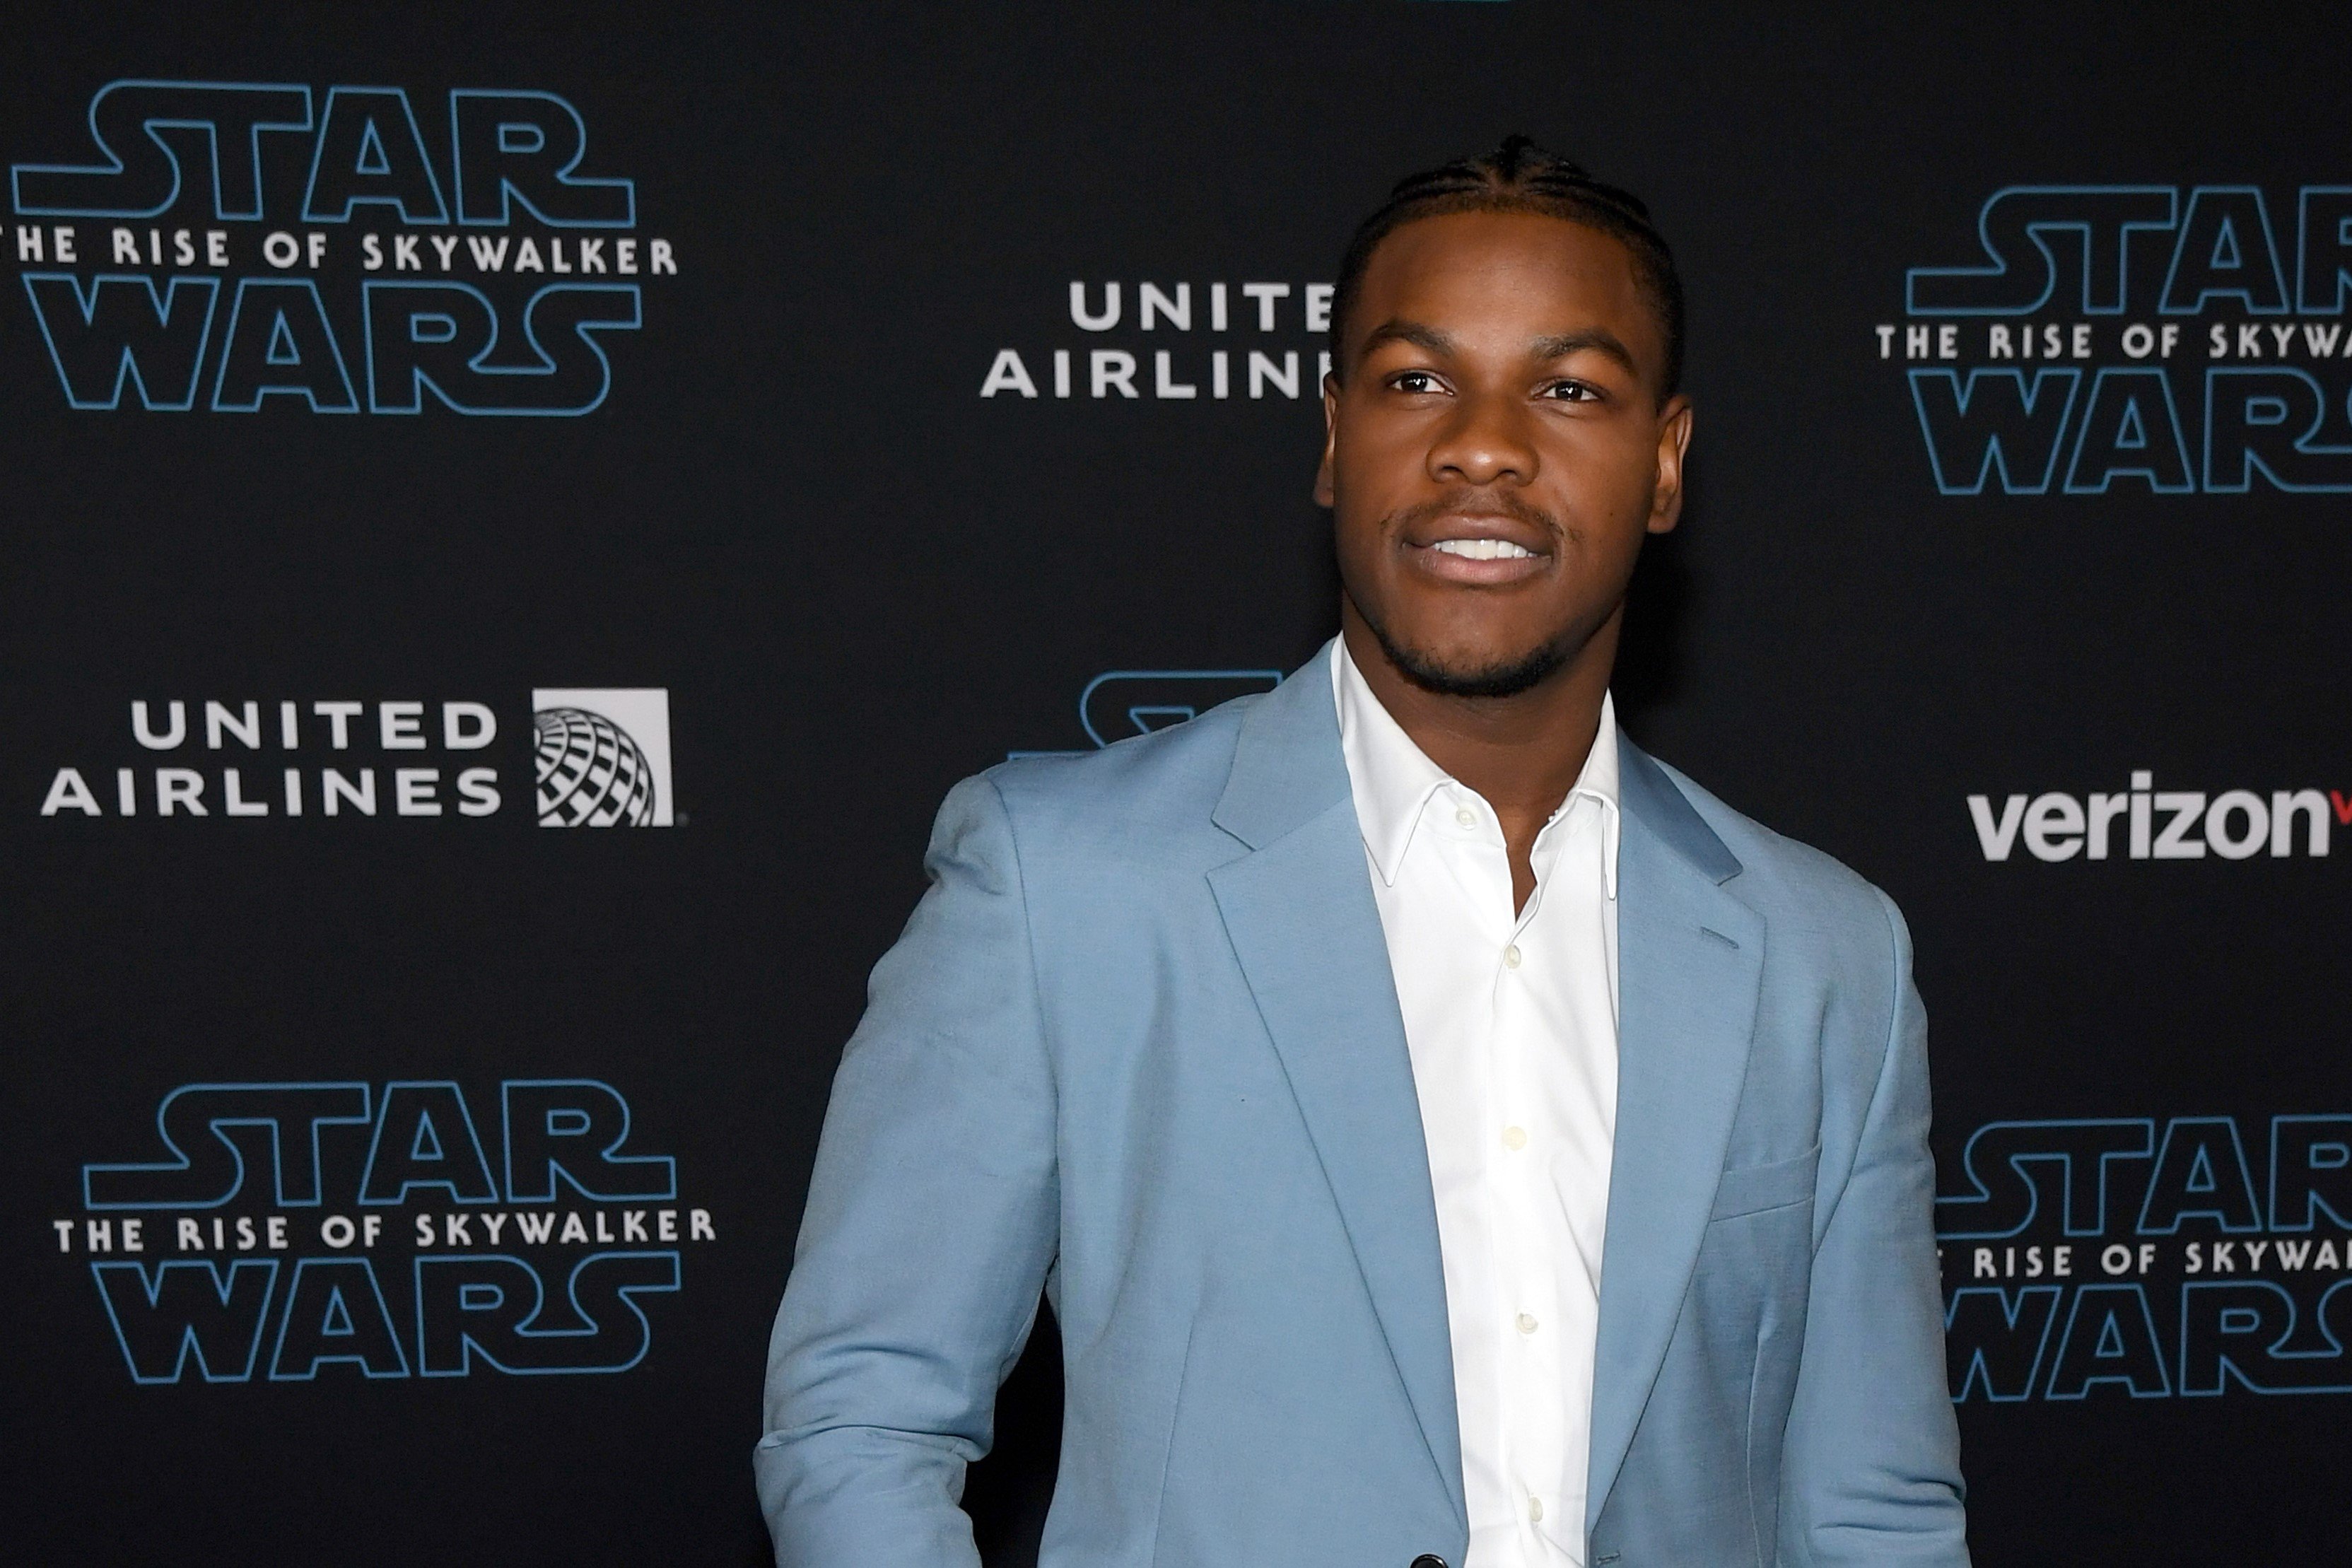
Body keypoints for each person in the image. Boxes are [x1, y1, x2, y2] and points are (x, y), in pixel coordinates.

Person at [757, 136, 1967, 1568]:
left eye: (1567, 388)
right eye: (1416, 381)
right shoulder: (1061, 883)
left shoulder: (1818, 948)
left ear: (1663, 463)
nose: (1482, 443)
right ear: (1332, 439)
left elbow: (1871, 1510)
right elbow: (861, 1425)